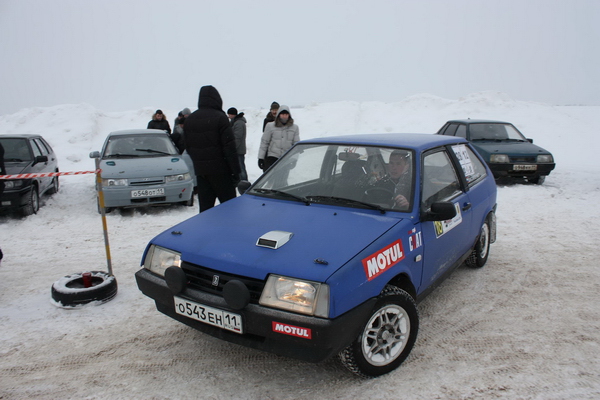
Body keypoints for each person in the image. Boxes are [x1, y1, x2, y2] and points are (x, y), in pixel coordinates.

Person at [184, 86, 241, 212]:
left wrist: (199, 163)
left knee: (205, 211)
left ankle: (206, 231)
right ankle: (231, 231)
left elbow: (188, 147)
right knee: (230, 210)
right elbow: (229, 148)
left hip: (202, 173)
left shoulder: (190, 120)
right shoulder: (221, 118)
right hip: (222, 172)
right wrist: (236, 172)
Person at [258, 105, 299, 171]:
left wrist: (294, 159)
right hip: (273, 157)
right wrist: (261, 158)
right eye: (282, 114)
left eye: (286, 114)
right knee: (272, 179)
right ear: (279, 115)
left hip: (286, 157)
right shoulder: (270, 126)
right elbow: (264, 142)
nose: (284, 116)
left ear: (289, 115)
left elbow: (296, 145)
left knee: (283, 179)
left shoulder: (294, 128)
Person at [227, 107, 248, 181]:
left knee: (240, 167)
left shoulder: (238, 123)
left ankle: (244, 182)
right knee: (238, 167)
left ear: (233, 114)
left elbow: (237, 138)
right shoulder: (235, 122)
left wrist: (233, 148)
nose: (228, 116)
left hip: (238, 150)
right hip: (237, 149)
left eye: (229, 114)